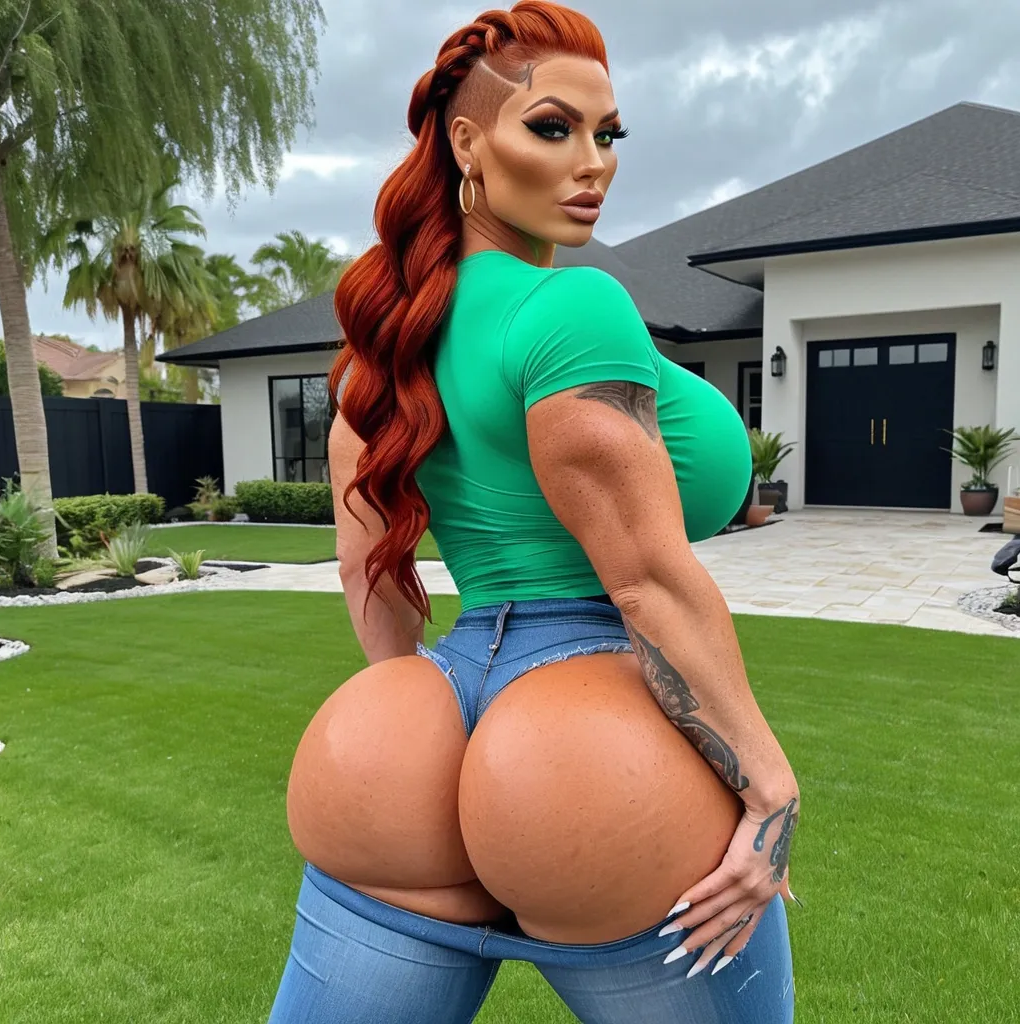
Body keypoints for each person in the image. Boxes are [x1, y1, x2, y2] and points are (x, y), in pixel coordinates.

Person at [268, 3, 800, 1021]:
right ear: (467, 143)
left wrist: (425, 740)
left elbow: (368, 576)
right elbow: (646, 581)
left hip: (404, 731)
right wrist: (770, 787)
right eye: (553, 128)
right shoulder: (572, 308)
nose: (592, 163)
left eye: (608, 133)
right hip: (587, 743)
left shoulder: (378, 354)